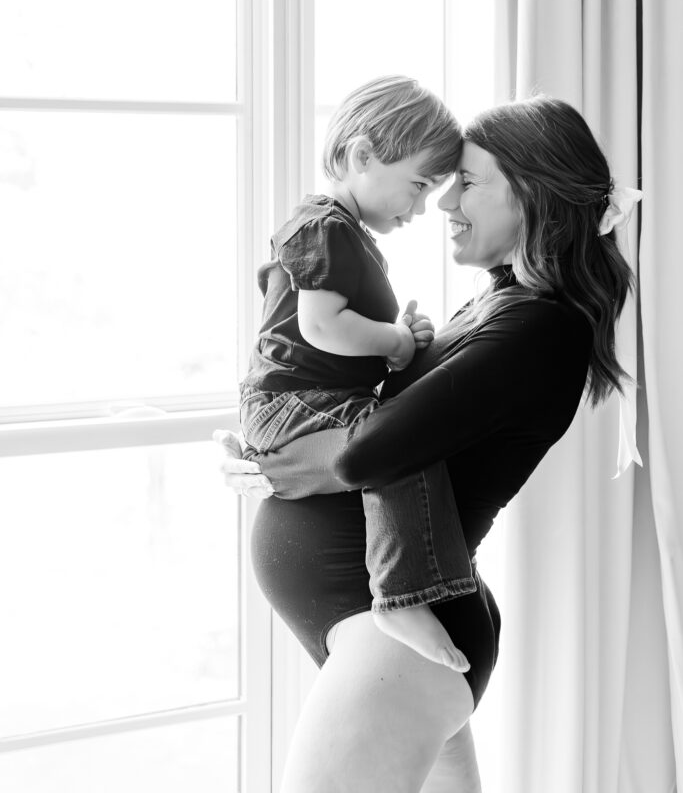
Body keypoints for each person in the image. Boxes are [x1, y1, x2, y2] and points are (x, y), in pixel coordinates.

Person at [217, 96, 640, 793]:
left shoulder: (539, 329)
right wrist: (262, 444)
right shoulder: (494, 303)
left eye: (467, 182)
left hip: (398, 642)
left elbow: (366, 454)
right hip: (394, 639)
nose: (443, 203)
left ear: (533, 196)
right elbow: (367, 417)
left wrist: (276, 466)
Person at [238, 75, 475, 672]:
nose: (422, 208)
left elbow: (332, 327)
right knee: (393, 443)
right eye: (418, 186)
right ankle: (399, 595)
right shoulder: (326, 226)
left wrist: (400, 338)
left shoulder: (341, 233)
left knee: (397, 439)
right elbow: (321, 327)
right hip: (293, 408)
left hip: (301, 410)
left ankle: (413, 588)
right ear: (362, 155)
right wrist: (393, 340)